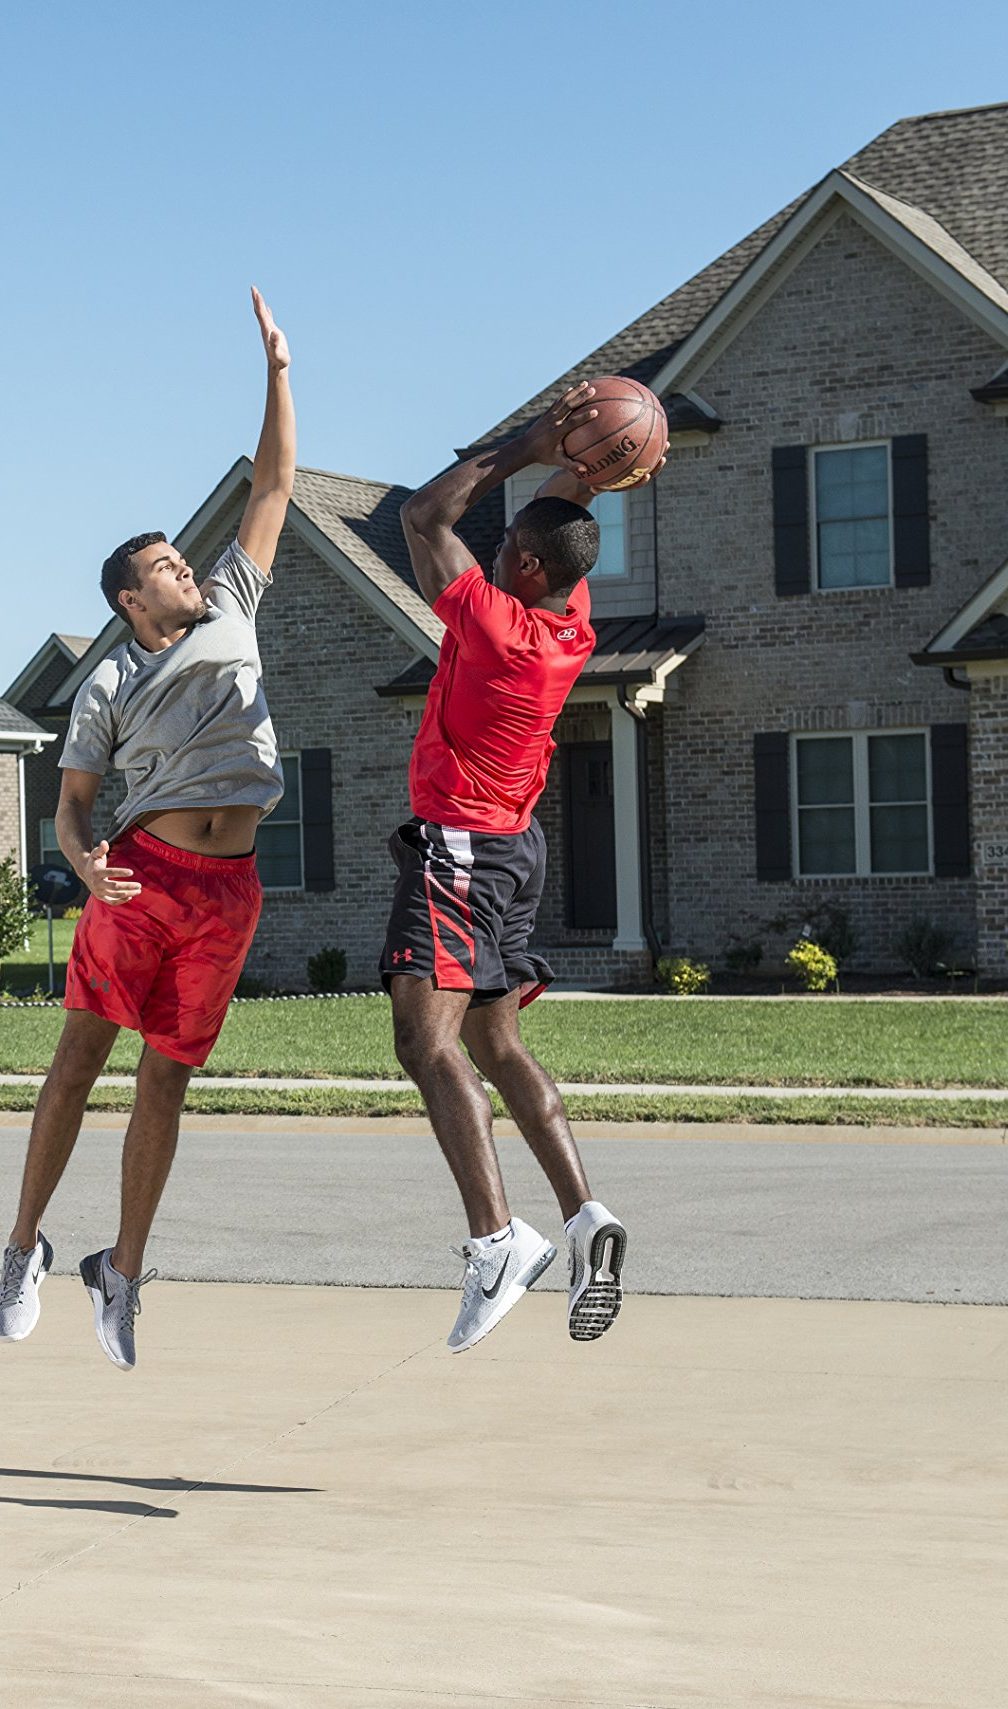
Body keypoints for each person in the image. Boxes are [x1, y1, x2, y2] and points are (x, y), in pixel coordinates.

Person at [0, 288, 293, 1369]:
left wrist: (277, 372)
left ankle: (119, 1270)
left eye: (184, 560)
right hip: (146, 876)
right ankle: (22, 1244)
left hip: (229, 890)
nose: (187, 569)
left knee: (166, 1077)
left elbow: (273, 485)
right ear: (131, 598)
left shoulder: (233, 605)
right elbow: (72, 806)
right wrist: (83, 865)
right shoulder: (109, 681)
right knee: (79, 1059)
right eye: (167, 566)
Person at [389, 381, 634, 1353]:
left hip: (460, 848)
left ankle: (497, 1241)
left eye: (504, 554)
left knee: (424, 1044)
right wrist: (587, 471)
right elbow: (559, 532)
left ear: (523, 566)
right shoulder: (572, 624)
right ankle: (584, 1214)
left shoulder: (496, 626)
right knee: (494, 1045)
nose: (489, 557)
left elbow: (423, 516)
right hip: (513, 852)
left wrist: (532, 444)